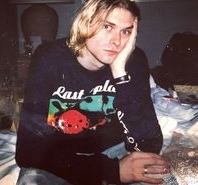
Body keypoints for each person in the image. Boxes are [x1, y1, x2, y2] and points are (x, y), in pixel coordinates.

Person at [15, 0, 171, 184]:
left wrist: (120, 74)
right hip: (61, 156)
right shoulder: (50, 58)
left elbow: (148, 146)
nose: (117, 41)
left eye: (126, 31)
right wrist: (111, 171)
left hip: (115, 150)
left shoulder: (134, 61)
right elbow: (28, 152)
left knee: (163, 177)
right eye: (107, 26)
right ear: (85, 22)